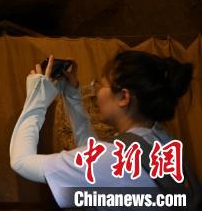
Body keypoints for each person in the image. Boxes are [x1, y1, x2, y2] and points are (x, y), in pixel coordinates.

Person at [10, 52, 194, 209]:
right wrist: (72, 95)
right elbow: (96, 155)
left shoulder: (111, 159)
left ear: (123, 97)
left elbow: (21, 162)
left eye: (101, 84)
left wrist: (37, 98)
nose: (96, 91)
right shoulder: (162, 140)